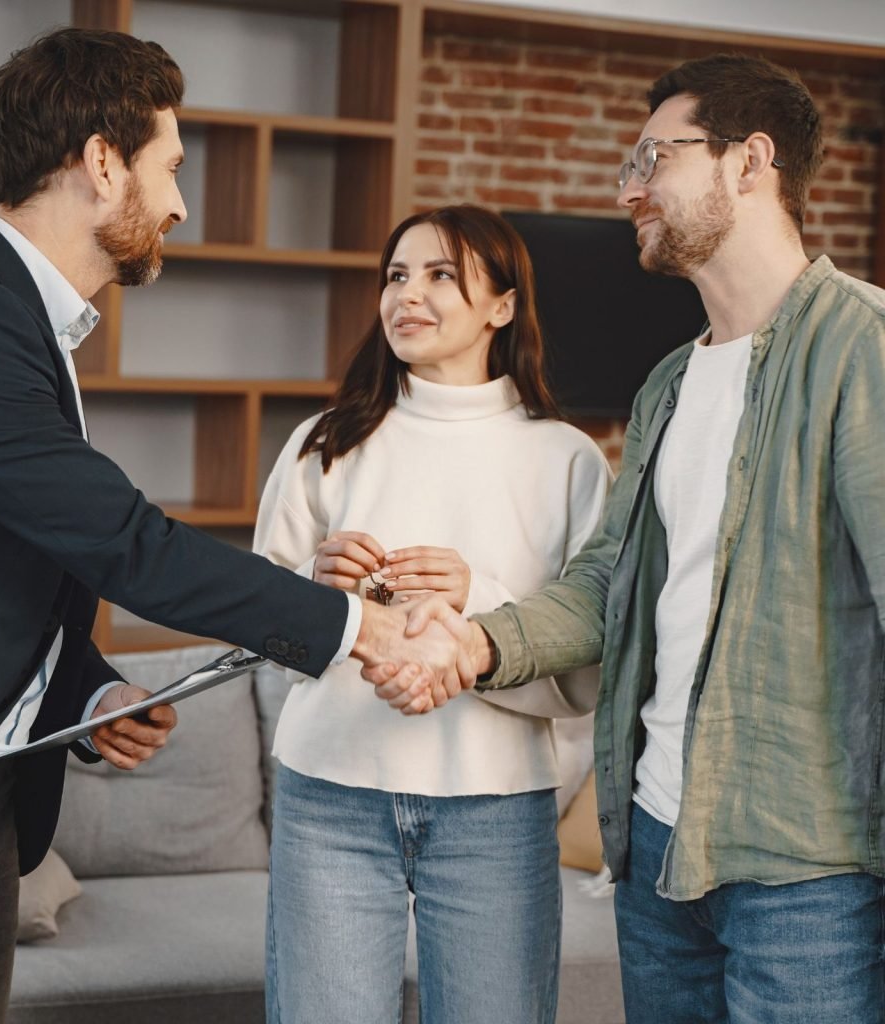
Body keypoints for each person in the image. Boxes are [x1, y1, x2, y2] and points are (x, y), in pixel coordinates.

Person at [0, 28, 466, 1024]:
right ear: (102, 162)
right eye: (170, 167)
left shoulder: (20, 323)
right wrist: (355, 626)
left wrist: (92, 690)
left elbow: (1, 564)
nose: (181, 204)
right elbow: (121, 540)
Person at [374, 54, 885, 1024]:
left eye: (654, 157)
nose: (630, 188)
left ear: (750, 163)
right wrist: (473, 639)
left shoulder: (862, 351)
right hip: (654, 846)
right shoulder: (668, 386)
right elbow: (606, 580)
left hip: (806, 868)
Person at [254, 204, 611, 1024]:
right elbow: (259, 630)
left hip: (498, 808)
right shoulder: (325, 442)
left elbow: (588, 662)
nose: (408, 294)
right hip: (329, 798)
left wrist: (477, 604)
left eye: (441, 274)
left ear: (504, 306)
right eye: (396, 275)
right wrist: (313, 590)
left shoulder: (568, 460)